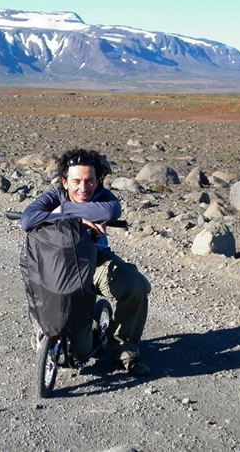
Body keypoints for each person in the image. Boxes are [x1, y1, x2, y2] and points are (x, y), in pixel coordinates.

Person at [21, 148, 151, 376]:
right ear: (64, 182)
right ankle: (43, 330)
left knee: (135, 286)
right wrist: (78, 217)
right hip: (59, 262)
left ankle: (124, 349)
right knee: (42, 287)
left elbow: (111, 211)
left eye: (90, 181)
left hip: (96, 262)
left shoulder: (104, 198)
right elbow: (27, 219)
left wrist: (63, 211)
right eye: (76, 181)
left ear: (98, 180)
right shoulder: (53, 197)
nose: (83, 188)